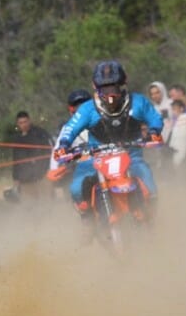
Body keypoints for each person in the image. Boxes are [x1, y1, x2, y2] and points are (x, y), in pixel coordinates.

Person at [53, 61, 163, 228]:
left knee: (151, 188)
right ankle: (87, 221)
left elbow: (155, 118)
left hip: (131, 155)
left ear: (123, 85)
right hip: (95, 157)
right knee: (76, 189)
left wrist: (154, 132)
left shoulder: (138, 103)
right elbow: (70, 128)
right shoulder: (88, 109)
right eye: (104, 89)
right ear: (96, 88)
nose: (110, 95)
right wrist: (64, 144)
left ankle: (152, 222)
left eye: (114, 88)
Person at [6, 111, 52, 202]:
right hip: (25, 178)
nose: (23, 125)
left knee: (46, 202)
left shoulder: (40, 133)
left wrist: (47, 170)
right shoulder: (17, 139)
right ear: (17, 124)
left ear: (29, 121)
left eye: (25, 122)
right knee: (29, 205)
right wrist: (16, 178)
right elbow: (16, 160)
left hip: (42, 175)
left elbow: (49, 151)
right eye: (21, 123)